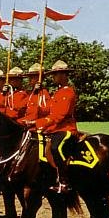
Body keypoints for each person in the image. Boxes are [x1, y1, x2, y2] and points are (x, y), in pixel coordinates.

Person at [24, 60, 78, 194]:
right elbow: (48, 111)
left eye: (56, 74)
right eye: (54, 75)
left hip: (66, 128)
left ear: (64, 75)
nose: (54, 77)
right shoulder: (57, 92)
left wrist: (37, 123)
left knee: (55, 147)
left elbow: (60, 116)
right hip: (54, 128)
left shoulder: (68, 92)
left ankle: (64, 181)